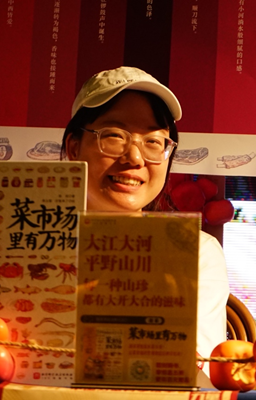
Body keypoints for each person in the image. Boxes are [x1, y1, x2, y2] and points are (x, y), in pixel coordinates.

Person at [60, 66, 230, 367]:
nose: (134, 158)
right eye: (114, 136)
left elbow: (196, 368)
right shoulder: (27, 245)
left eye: (153, 142)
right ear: (74, 147)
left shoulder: (195, 252)